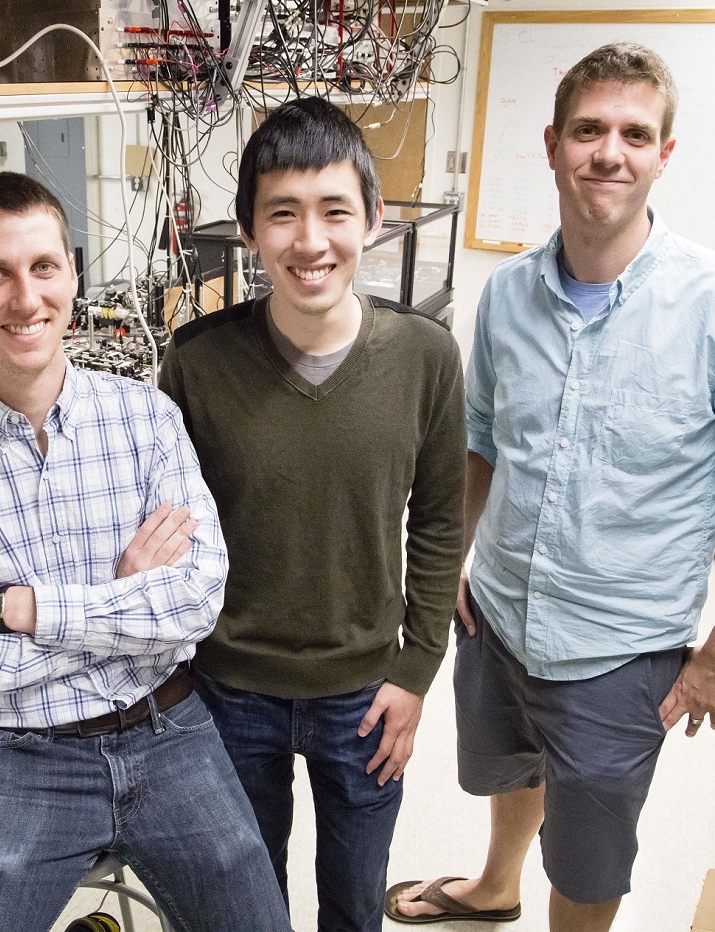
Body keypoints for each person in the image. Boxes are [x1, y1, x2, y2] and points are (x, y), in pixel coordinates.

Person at [386, 43, 715, 930]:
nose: (609, 153)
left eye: (635, 135)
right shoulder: (507, 294)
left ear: (664, 154)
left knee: (590, 860)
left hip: (620, 654)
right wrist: (454, 567)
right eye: (589, 130)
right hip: (498, 617)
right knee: (511, 769)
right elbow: (482, 442)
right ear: (553, 145)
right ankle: (497, 886)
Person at [0, 172, 291, 932]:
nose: (25, 298)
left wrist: (21, 609)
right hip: (19, 757)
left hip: (170, 734)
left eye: (43, 267)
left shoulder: (145, 417)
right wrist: (127, 606)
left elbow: (196, 602)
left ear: (72, 273)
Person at [158, 97, 467, 932]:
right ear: (249, 232)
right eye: (282, 213)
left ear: (372, 218)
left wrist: (416, 669)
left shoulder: (427, 357)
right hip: (229, 689)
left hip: (365, 692)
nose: (310, 240)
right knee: (244, 906)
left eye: (334, 210)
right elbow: (169, 527)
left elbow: (440, 521)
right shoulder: (197, 362)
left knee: (356, 905)